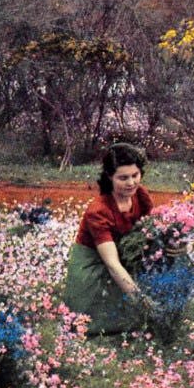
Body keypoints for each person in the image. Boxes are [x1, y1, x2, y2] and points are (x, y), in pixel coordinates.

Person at [62, 143, 160, 335]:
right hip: (95, 266)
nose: (131, 183)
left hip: (125, 254)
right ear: (109, 176)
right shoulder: (99, 210)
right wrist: (141, 302)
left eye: (135, 175)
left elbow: (153, 232)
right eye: (123, 178)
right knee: (97, 323)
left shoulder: (140, 195)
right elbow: (112, 265)